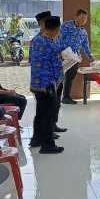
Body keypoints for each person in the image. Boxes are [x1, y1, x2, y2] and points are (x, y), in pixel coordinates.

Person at [29, 16, 64, 154]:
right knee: (49, 116)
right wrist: (60, 79)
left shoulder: (36, 40)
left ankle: (36, 140)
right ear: (55, 29)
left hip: (36, 83)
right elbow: (57, 66)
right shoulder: (50, 44)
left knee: (40, 114)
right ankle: (48, 145)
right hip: (47, 84)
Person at [60, 8, 94, 104]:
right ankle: (54, 97)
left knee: (70, 77)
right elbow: (59, 38)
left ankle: (66, 97)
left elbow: (85, 46)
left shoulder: (83, 32)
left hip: (75, 58)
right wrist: (61, 51)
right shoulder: (66, 25)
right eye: (82, 18)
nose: (83, 20)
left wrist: (91, 57)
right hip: (63, 55)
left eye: (85, 19)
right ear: (76, 17)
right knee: (58, 76)